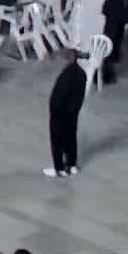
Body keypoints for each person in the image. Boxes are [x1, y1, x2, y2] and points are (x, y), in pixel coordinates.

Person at [46, 48, 85, 177]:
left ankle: (59, 168)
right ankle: (72, 164)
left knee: (57, 139)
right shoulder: (82, 74)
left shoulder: (66, 75)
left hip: (60, 113)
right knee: (71, 137)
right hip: (73, 112)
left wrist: (53, 110)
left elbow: (58, 96)